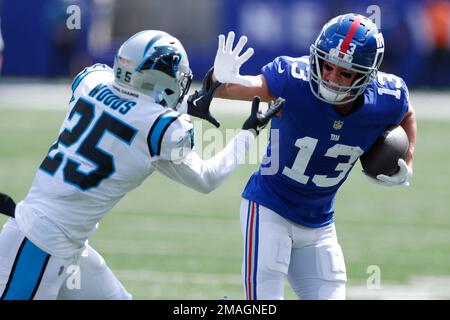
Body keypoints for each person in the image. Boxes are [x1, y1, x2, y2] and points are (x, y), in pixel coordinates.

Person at [0, 30, 283, 300]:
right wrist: (248, 134)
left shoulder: (92, 82)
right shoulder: (161, 129)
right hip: (38, 246)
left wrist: (186, 105)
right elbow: (206, 177)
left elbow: (126, 110)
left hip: (60, 243)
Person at [206, 14, 417, 299]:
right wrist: (218, 78)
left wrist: (409, 158)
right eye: (327, 66)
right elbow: (230, 90)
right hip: (270, 210)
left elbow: (406, 113)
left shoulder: (387, 97)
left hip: (320, 225)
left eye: (345, 73)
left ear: (367, 76)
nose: (331, 77)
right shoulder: (293, 80)